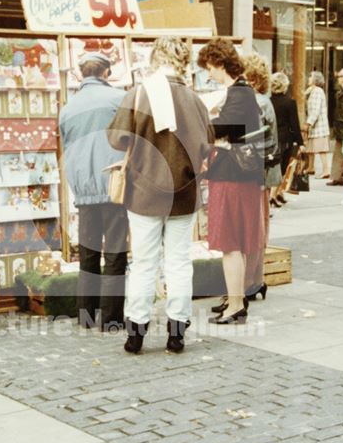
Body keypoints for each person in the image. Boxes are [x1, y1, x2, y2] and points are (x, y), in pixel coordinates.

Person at [107, 37, 212, 354]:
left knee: (143, 263)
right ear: (181, 61)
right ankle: (177, 332)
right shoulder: (194, 99)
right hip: (184, 193)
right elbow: (208, 143)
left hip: (144, 191)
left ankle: (135, 333)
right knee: (179, 262)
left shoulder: (139, 93)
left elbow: (116, 138)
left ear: (155, 58)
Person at [59, 52, 128, 331]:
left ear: (81, 74)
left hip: (84, 189)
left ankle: (85, 315)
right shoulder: (118, 99)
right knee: (114, 253)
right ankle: (111, 319)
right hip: (113, 184)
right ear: (107, 73)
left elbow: (65, 148)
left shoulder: (68, 107)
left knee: (88, 253)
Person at [197, 39, 263, 326]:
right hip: (240, 176)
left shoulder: (238, 93)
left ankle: (235, 305)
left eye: (210, 68)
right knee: (236, 240)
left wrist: (202, 119)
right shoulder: (241, 92)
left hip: (231, 175)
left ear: (220, 64)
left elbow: (223, 128)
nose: (208, 74)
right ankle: (235, 297)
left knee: (230, 242)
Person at [242, 53, 277, 304]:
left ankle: (249, 282)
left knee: (252, 229)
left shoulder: (256, 103)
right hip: (261, 175)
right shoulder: (262, 101)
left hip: (253, 175)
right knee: (257, 228)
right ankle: (254, 280)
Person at [268, 72, 303, 207]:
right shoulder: (290, 102)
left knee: (274, 166)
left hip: (271, 138)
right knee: (282, 168)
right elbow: (295, 124)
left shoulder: (269, 101)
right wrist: (300, 142)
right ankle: (273, 195)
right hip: (285, 139)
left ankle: (278, 193)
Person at [302, 71, 330, 178]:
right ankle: (311, 167)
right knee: (311, 147)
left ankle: (326, 170)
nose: (308, 78)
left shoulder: (317, 91)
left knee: (321, 148)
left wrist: (308, 123)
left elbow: (315, 110)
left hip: (319, 125)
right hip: (314, 125)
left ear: (315, 80)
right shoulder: (311, 91)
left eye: (310, 77)